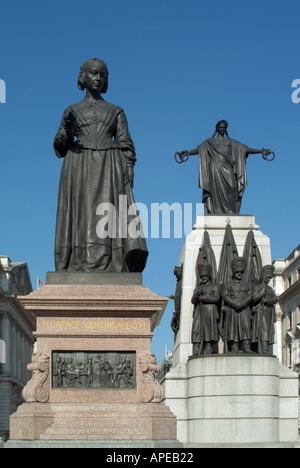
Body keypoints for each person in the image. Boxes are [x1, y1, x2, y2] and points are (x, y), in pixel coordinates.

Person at [53, 58, 148, 273]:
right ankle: (77, 260)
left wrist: (129, 170)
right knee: (82, 214)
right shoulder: (72, 110)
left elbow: (125, 143)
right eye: (93, 73)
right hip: (79, 164)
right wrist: (67, 128)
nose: (98, 78)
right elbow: (60, 148)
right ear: (83, 77)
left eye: (102, 75)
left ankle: (113, 261)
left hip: (110, 166)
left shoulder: (116, 111)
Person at [177, 120, 273, 215]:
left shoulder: (231, 141)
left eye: (224, 127)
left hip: (227, 167)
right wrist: (188, 153)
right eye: (221, 127)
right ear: (217, 128)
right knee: (214, 190)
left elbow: (244, 149)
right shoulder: (210, 142)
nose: (222, 129)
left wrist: (260, 151)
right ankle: (216, 211)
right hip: (215, 167)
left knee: (232, 186)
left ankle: (230, 211)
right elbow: (199, 149)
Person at [221, 257, 254, 353]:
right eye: (237, 272)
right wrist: (234, 303)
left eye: (241, 272)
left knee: (246, 327)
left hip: (245, 309)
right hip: (232, 309)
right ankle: (234, 347)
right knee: (233, 329)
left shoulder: (248, 284)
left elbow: (250, 295)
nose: (239, 274)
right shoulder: (228, 284)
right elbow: (225, 296)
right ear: (234, 273)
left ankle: (246, 347)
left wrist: (243, 304)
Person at [191, 264, 221, 355]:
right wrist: (197, 294)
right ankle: (196, 351)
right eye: (202, 276)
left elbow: (216, 298)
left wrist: (204, 298)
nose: (203, 278)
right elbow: (193, 300)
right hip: (199, 312)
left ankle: (209, 349)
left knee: (209, 331)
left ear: (209, 276)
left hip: (210, 311)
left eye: (205, 276)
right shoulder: (199, 288)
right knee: (196, 329)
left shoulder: (215, 286)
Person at [252, 265, 278, 355]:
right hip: (261, 311)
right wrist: (261, 295)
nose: (269, 279)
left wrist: (268, 300)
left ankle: (265, 348)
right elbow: (253, 299)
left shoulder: (270, 289)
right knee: (262, 330)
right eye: (268, 277)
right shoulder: (257, 287)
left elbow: (276, 299)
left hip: (269, 311)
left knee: (268, 330)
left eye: (270, 278)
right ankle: (262, 349)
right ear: (263, 275)